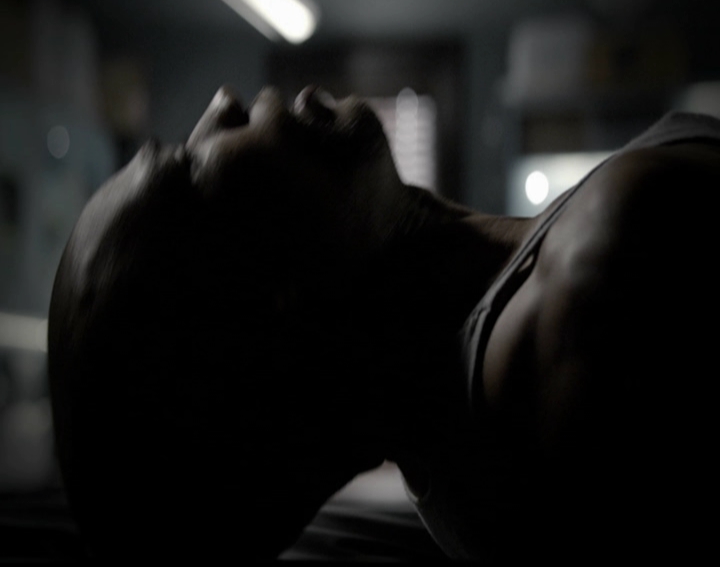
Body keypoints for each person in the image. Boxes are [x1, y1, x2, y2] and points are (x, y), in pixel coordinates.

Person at [48, 84, 719, 561]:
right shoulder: (602, 278)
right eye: (188, 166)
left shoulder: (466, 471)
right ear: (257, 308)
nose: (221, 105)